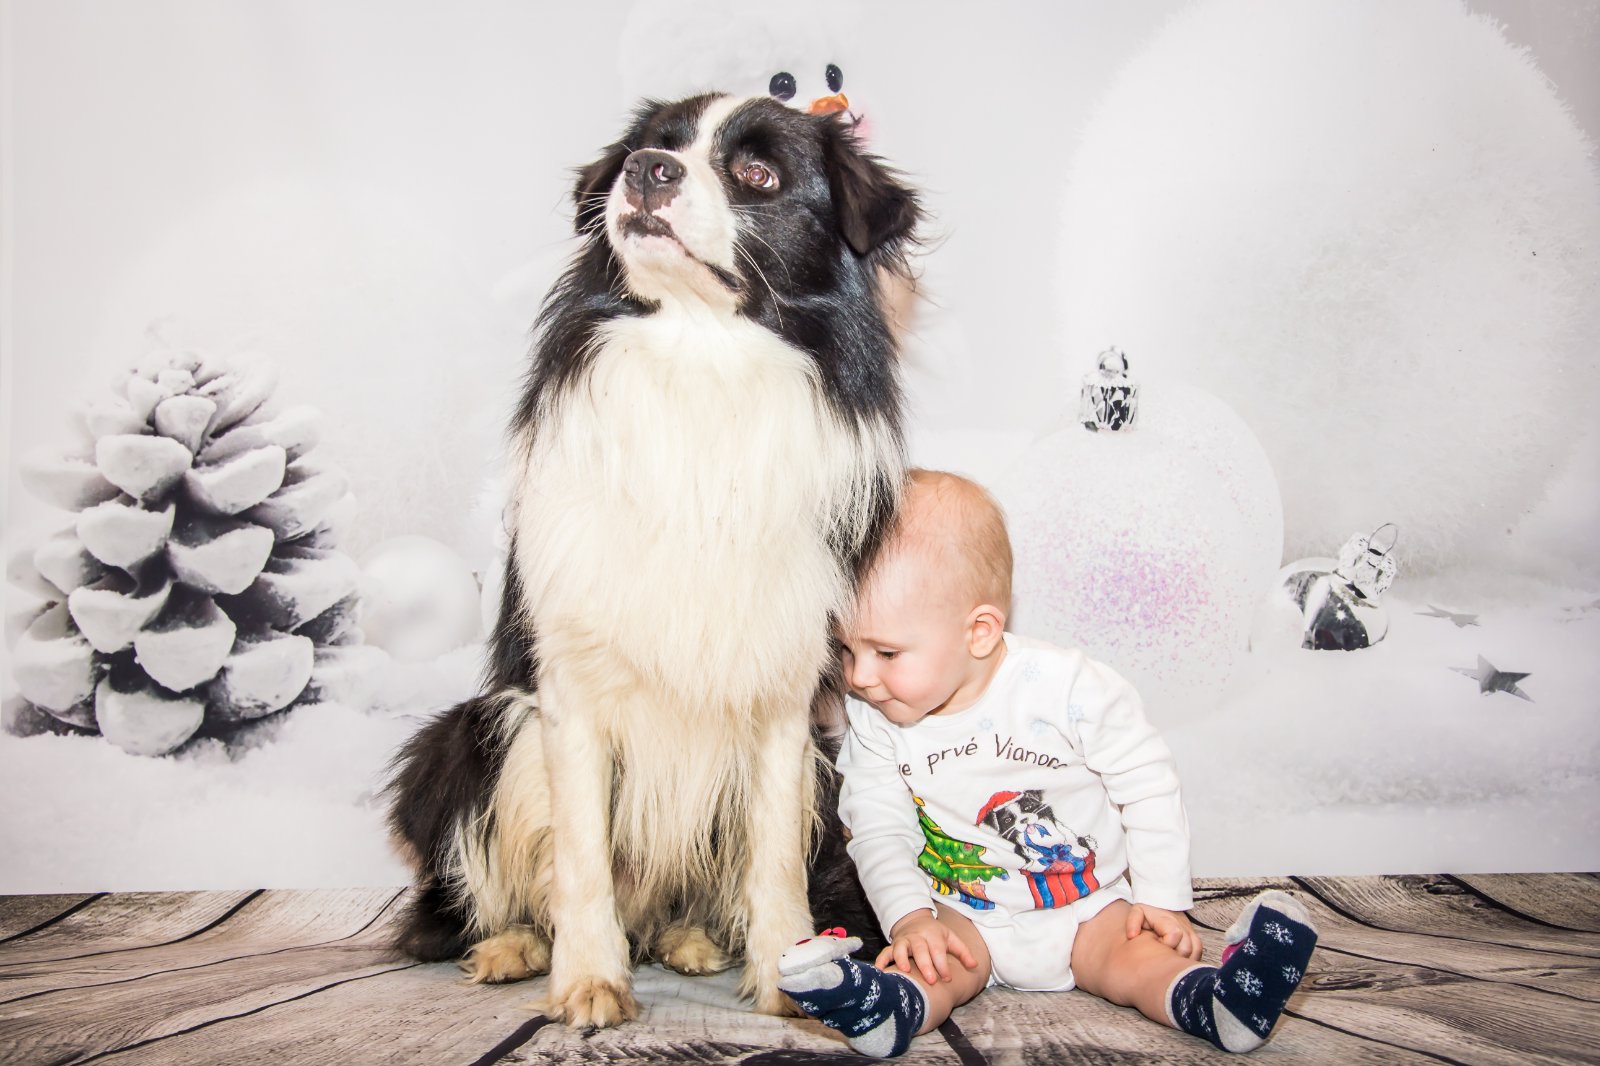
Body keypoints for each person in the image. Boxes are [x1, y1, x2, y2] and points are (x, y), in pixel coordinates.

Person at [779, 470, 1317, 1057]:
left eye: (886, 652)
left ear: (979, 632)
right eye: (847, 648)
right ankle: (885, 1009)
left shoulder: (1068, 689)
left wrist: (1162, 897)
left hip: (1088, 911)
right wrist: (909, 919)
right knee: (932, 964)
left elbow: (1146, 784)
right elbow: (879, 829)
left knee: (1137, 961)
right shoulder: (874, 719)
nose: (859, 676)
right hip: (964, 914)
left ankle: (1218, 1002)